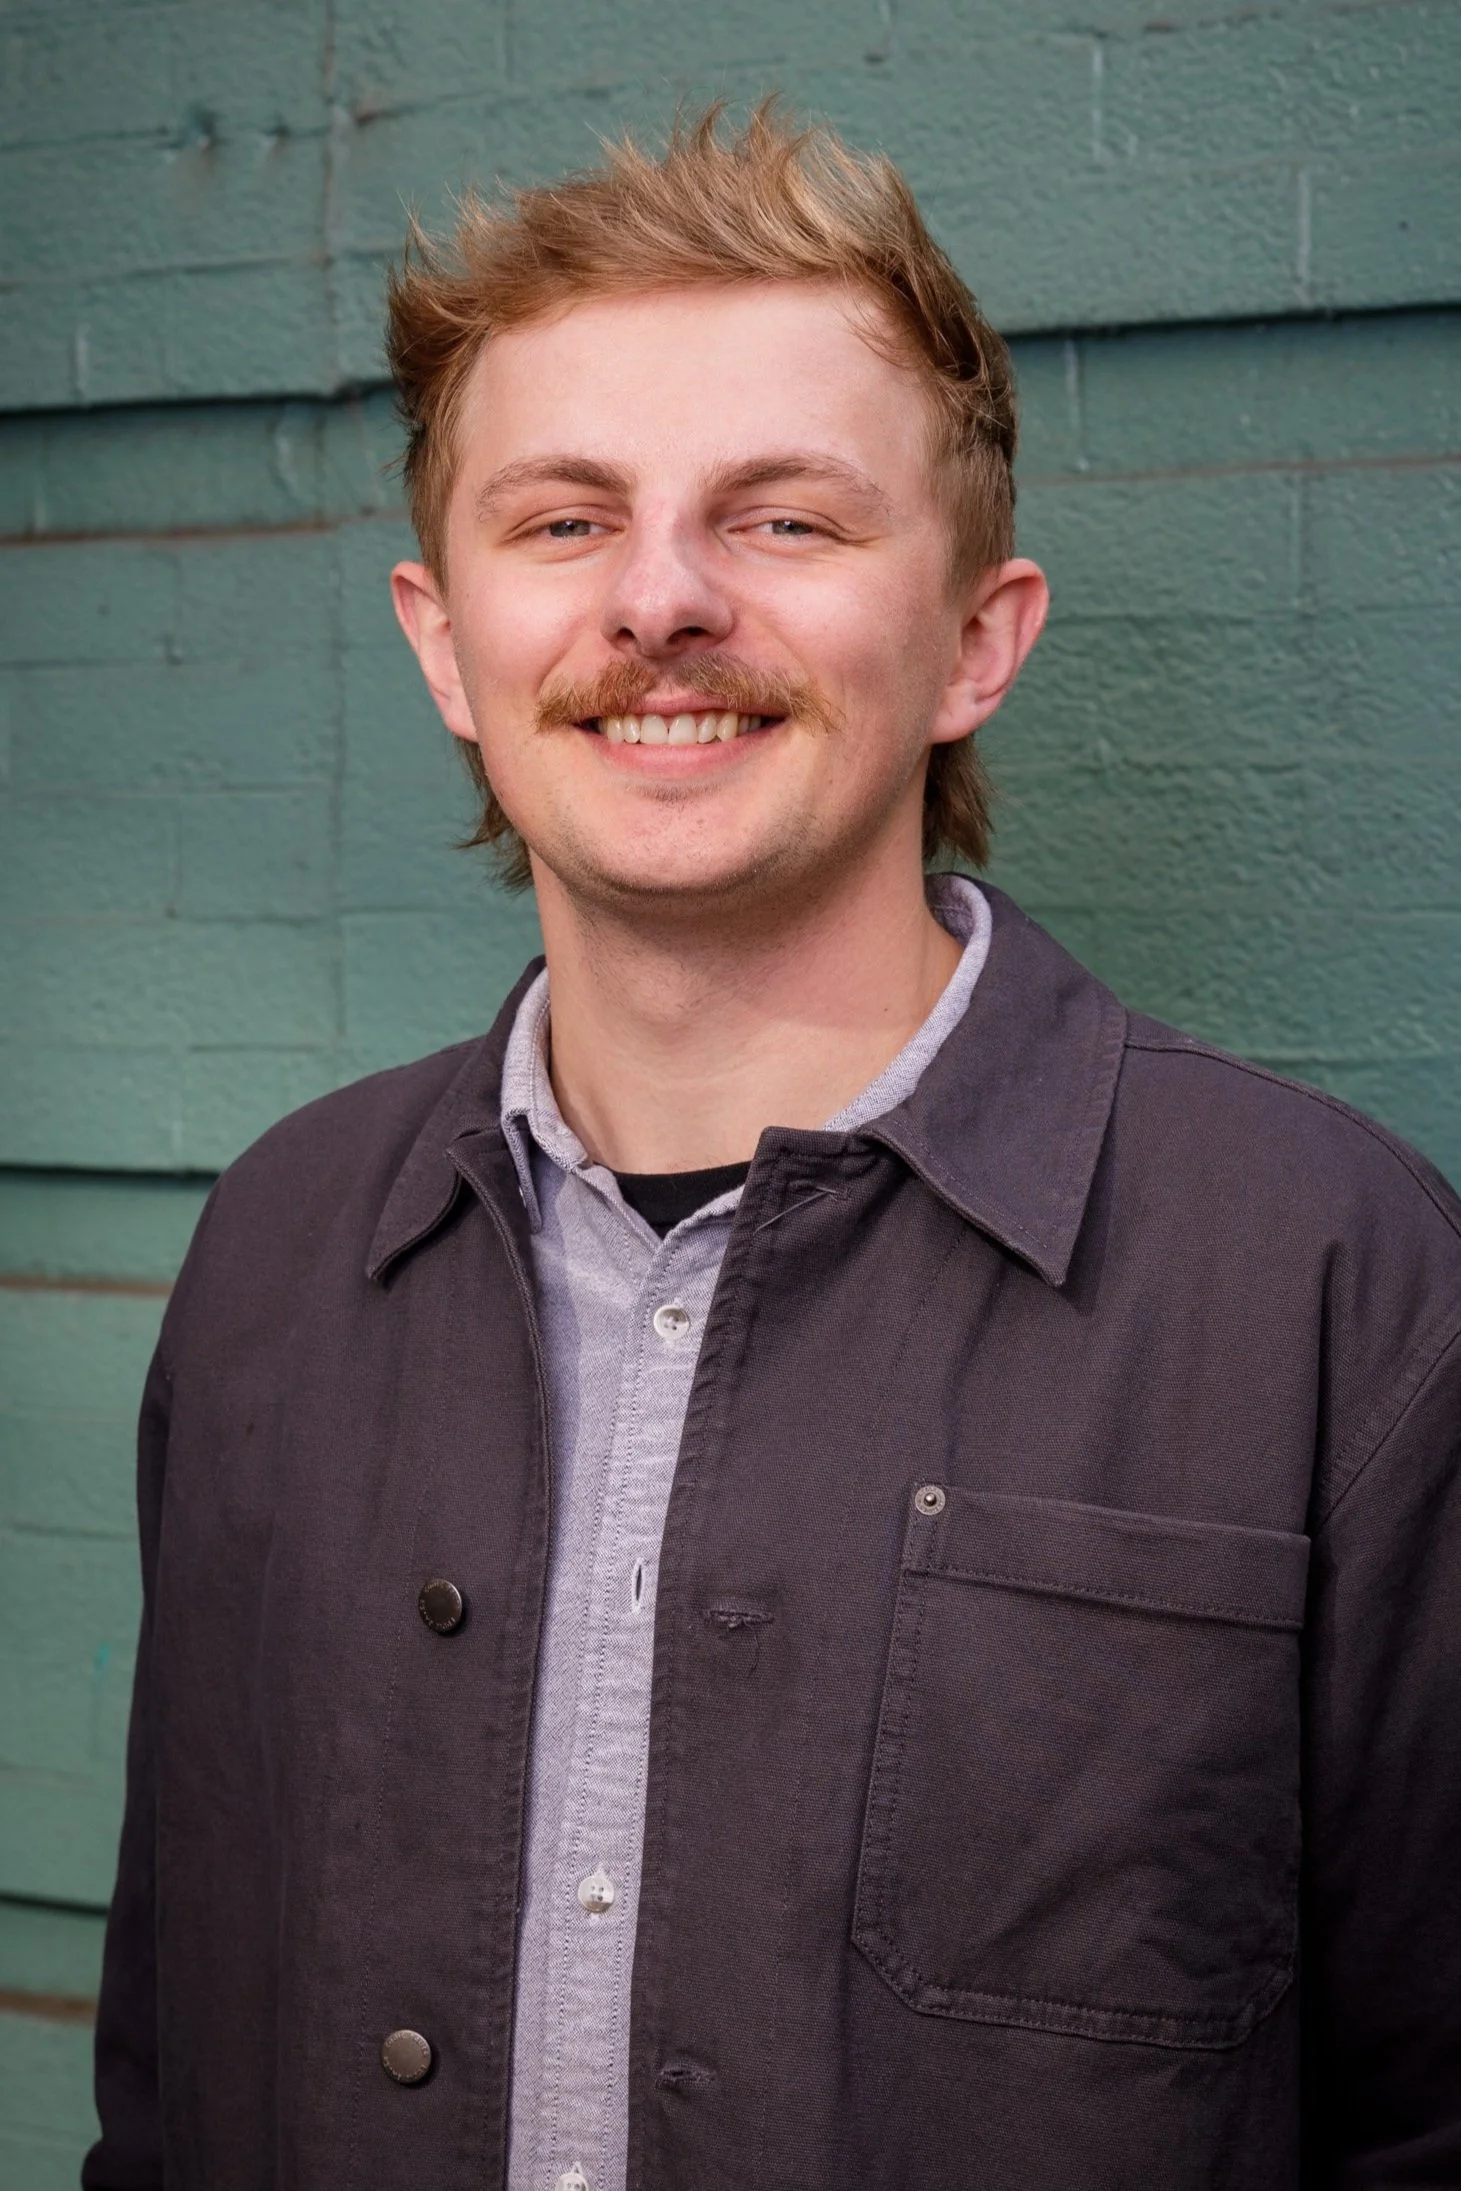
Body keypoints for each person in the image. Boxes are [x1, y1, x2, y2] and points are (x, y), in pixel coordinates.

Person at [84, 105, 1461, 2191]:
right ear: (445, 641)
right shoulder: (280, 1250)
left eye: (786, 520)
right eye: (564, 521)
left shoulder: (1332, 1285)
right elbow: (175, 2075)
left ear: (976, 639)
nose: (660, 601)